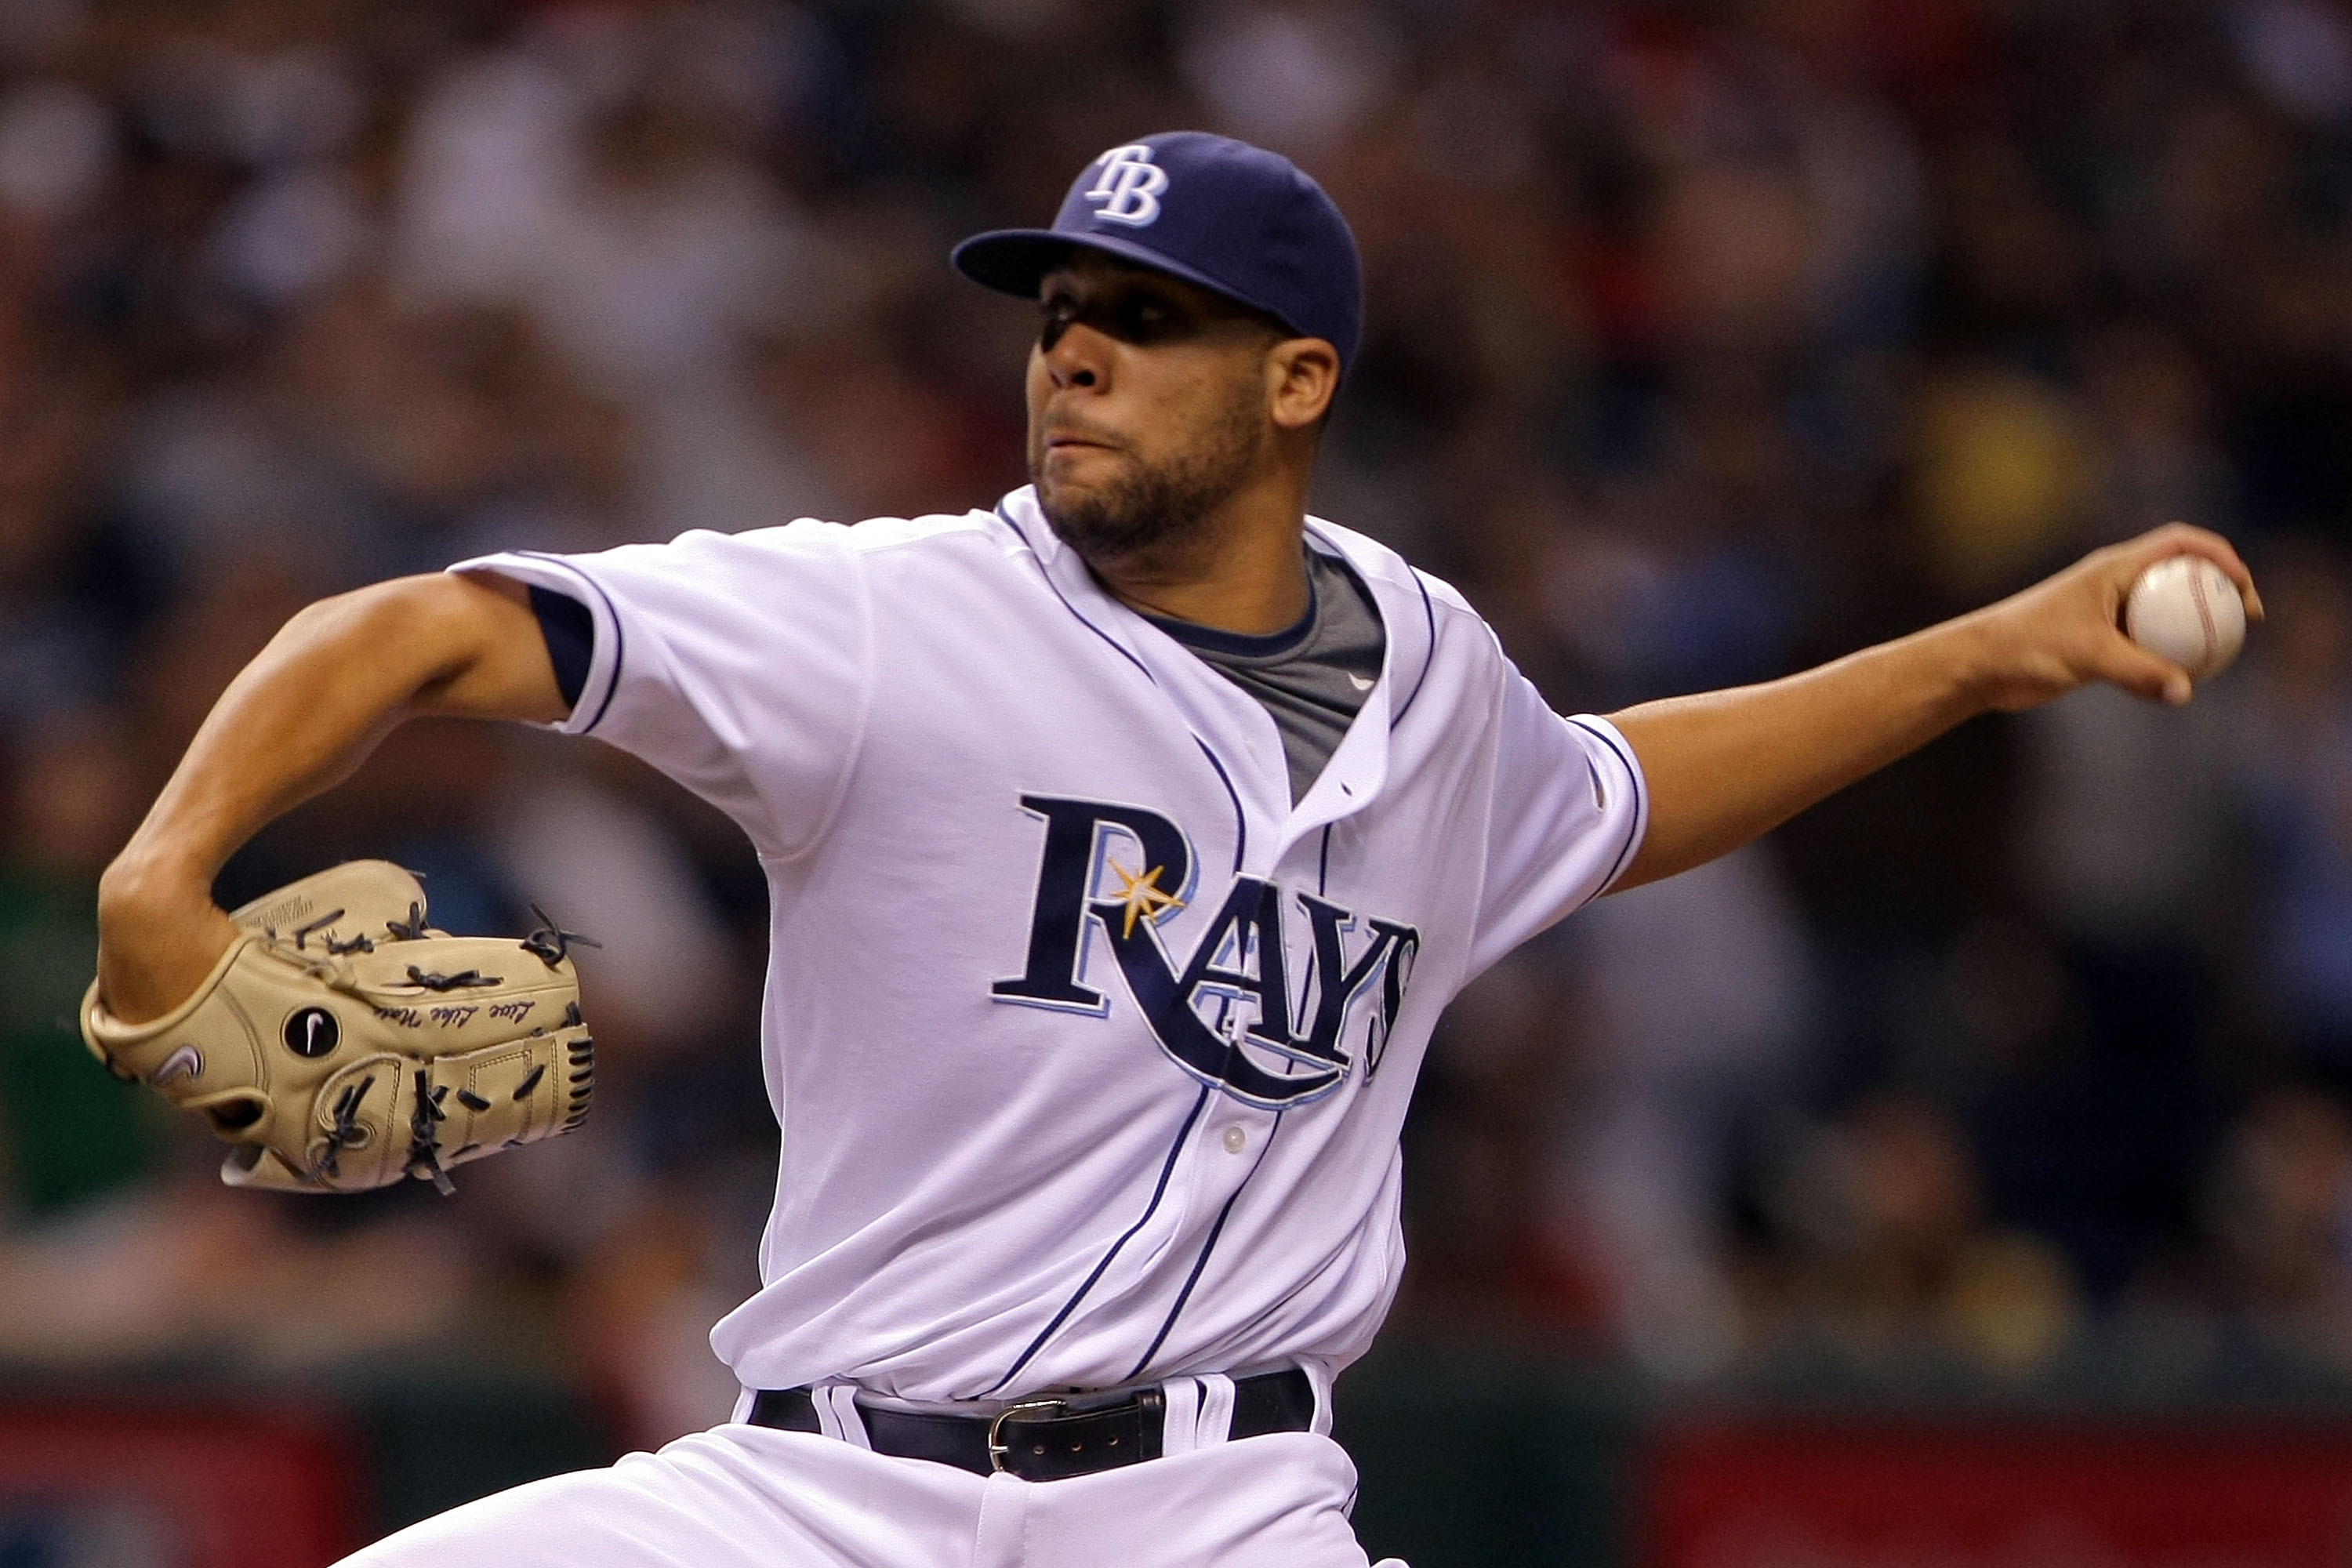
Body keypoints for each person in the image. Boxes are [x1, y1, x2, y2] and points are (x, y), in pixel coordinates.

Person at [92, 132, 2258, 1567]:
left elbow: (1611, 794)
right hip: (822, 1496)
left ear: (1297, 379)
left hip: (1217, 1510)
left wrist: (1989, 655)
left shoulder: (1428, 668)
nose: (1080, 359)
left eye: (1148, 324)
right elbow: (427, 626)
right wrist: (166, 873)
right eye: (1060, 318)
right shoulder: (885, 616)